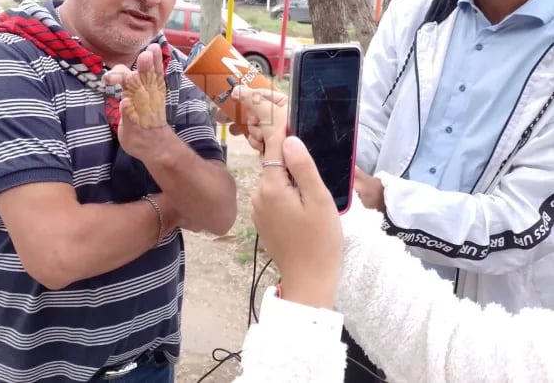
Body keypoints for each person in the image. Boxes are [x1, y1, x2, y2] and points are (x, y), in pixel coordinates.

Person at [0, 0, 237, 382]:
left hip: (151, 363)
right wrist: (174, 205)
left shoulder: (173, 66)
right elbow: (59, 253)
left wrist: (158, 145)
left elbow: (219, 213)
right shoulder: (8, 61)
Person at [357, 0, 554, 312]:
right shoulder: (414, 17)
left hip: (483, 334)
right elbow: (365, 137)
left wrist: (382, 199)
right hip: (368, 293)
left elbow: (522, 222)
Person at [229, 86, 554, 382]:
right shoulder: (414, 19)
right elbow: (450, 357)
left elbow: (518, 218)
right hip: (378, 298)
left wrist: (308, 280)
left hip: (462, 292)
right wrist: (319, 151)